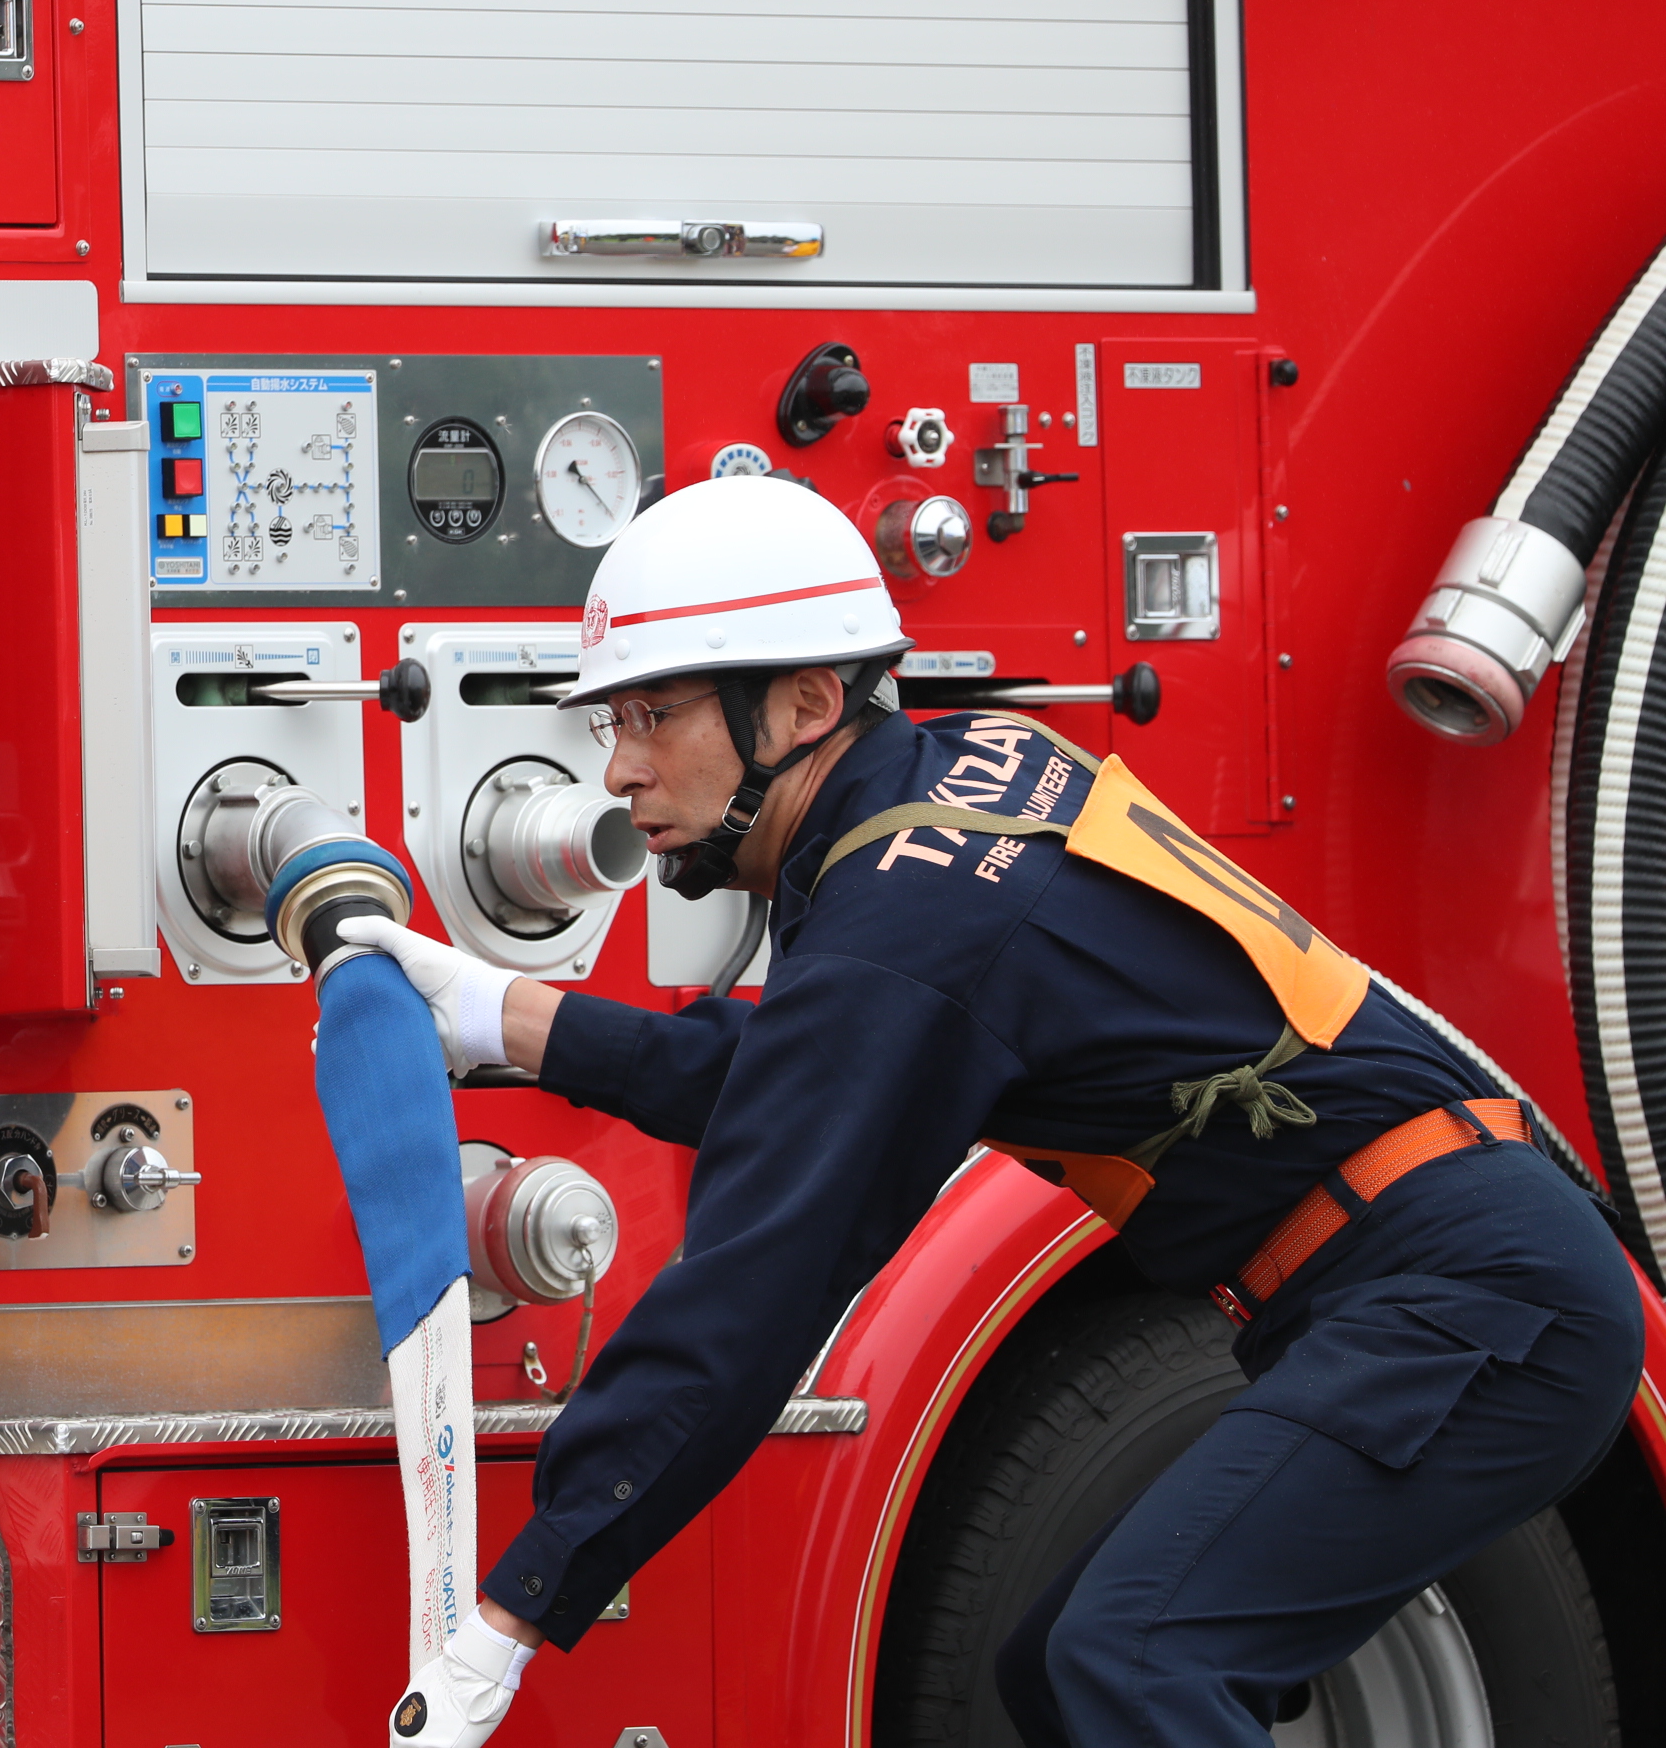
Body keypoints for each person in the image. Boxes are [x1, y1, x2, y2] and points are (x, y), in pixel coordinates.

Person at [344, 476, 1644, 1747]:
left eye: (653, 716)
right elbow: (815, 1081)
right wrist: (504, 1015)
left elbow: (752, 1290)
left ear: (801, 704)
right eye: (609, 723)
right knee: (1067, 1668)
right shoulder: (955, 789)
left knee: (1128, 1667)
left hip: (1470, 1305)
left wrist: (512, 1614)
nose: (619, 770)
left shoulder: (906, 916)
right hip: (1468, 1283)